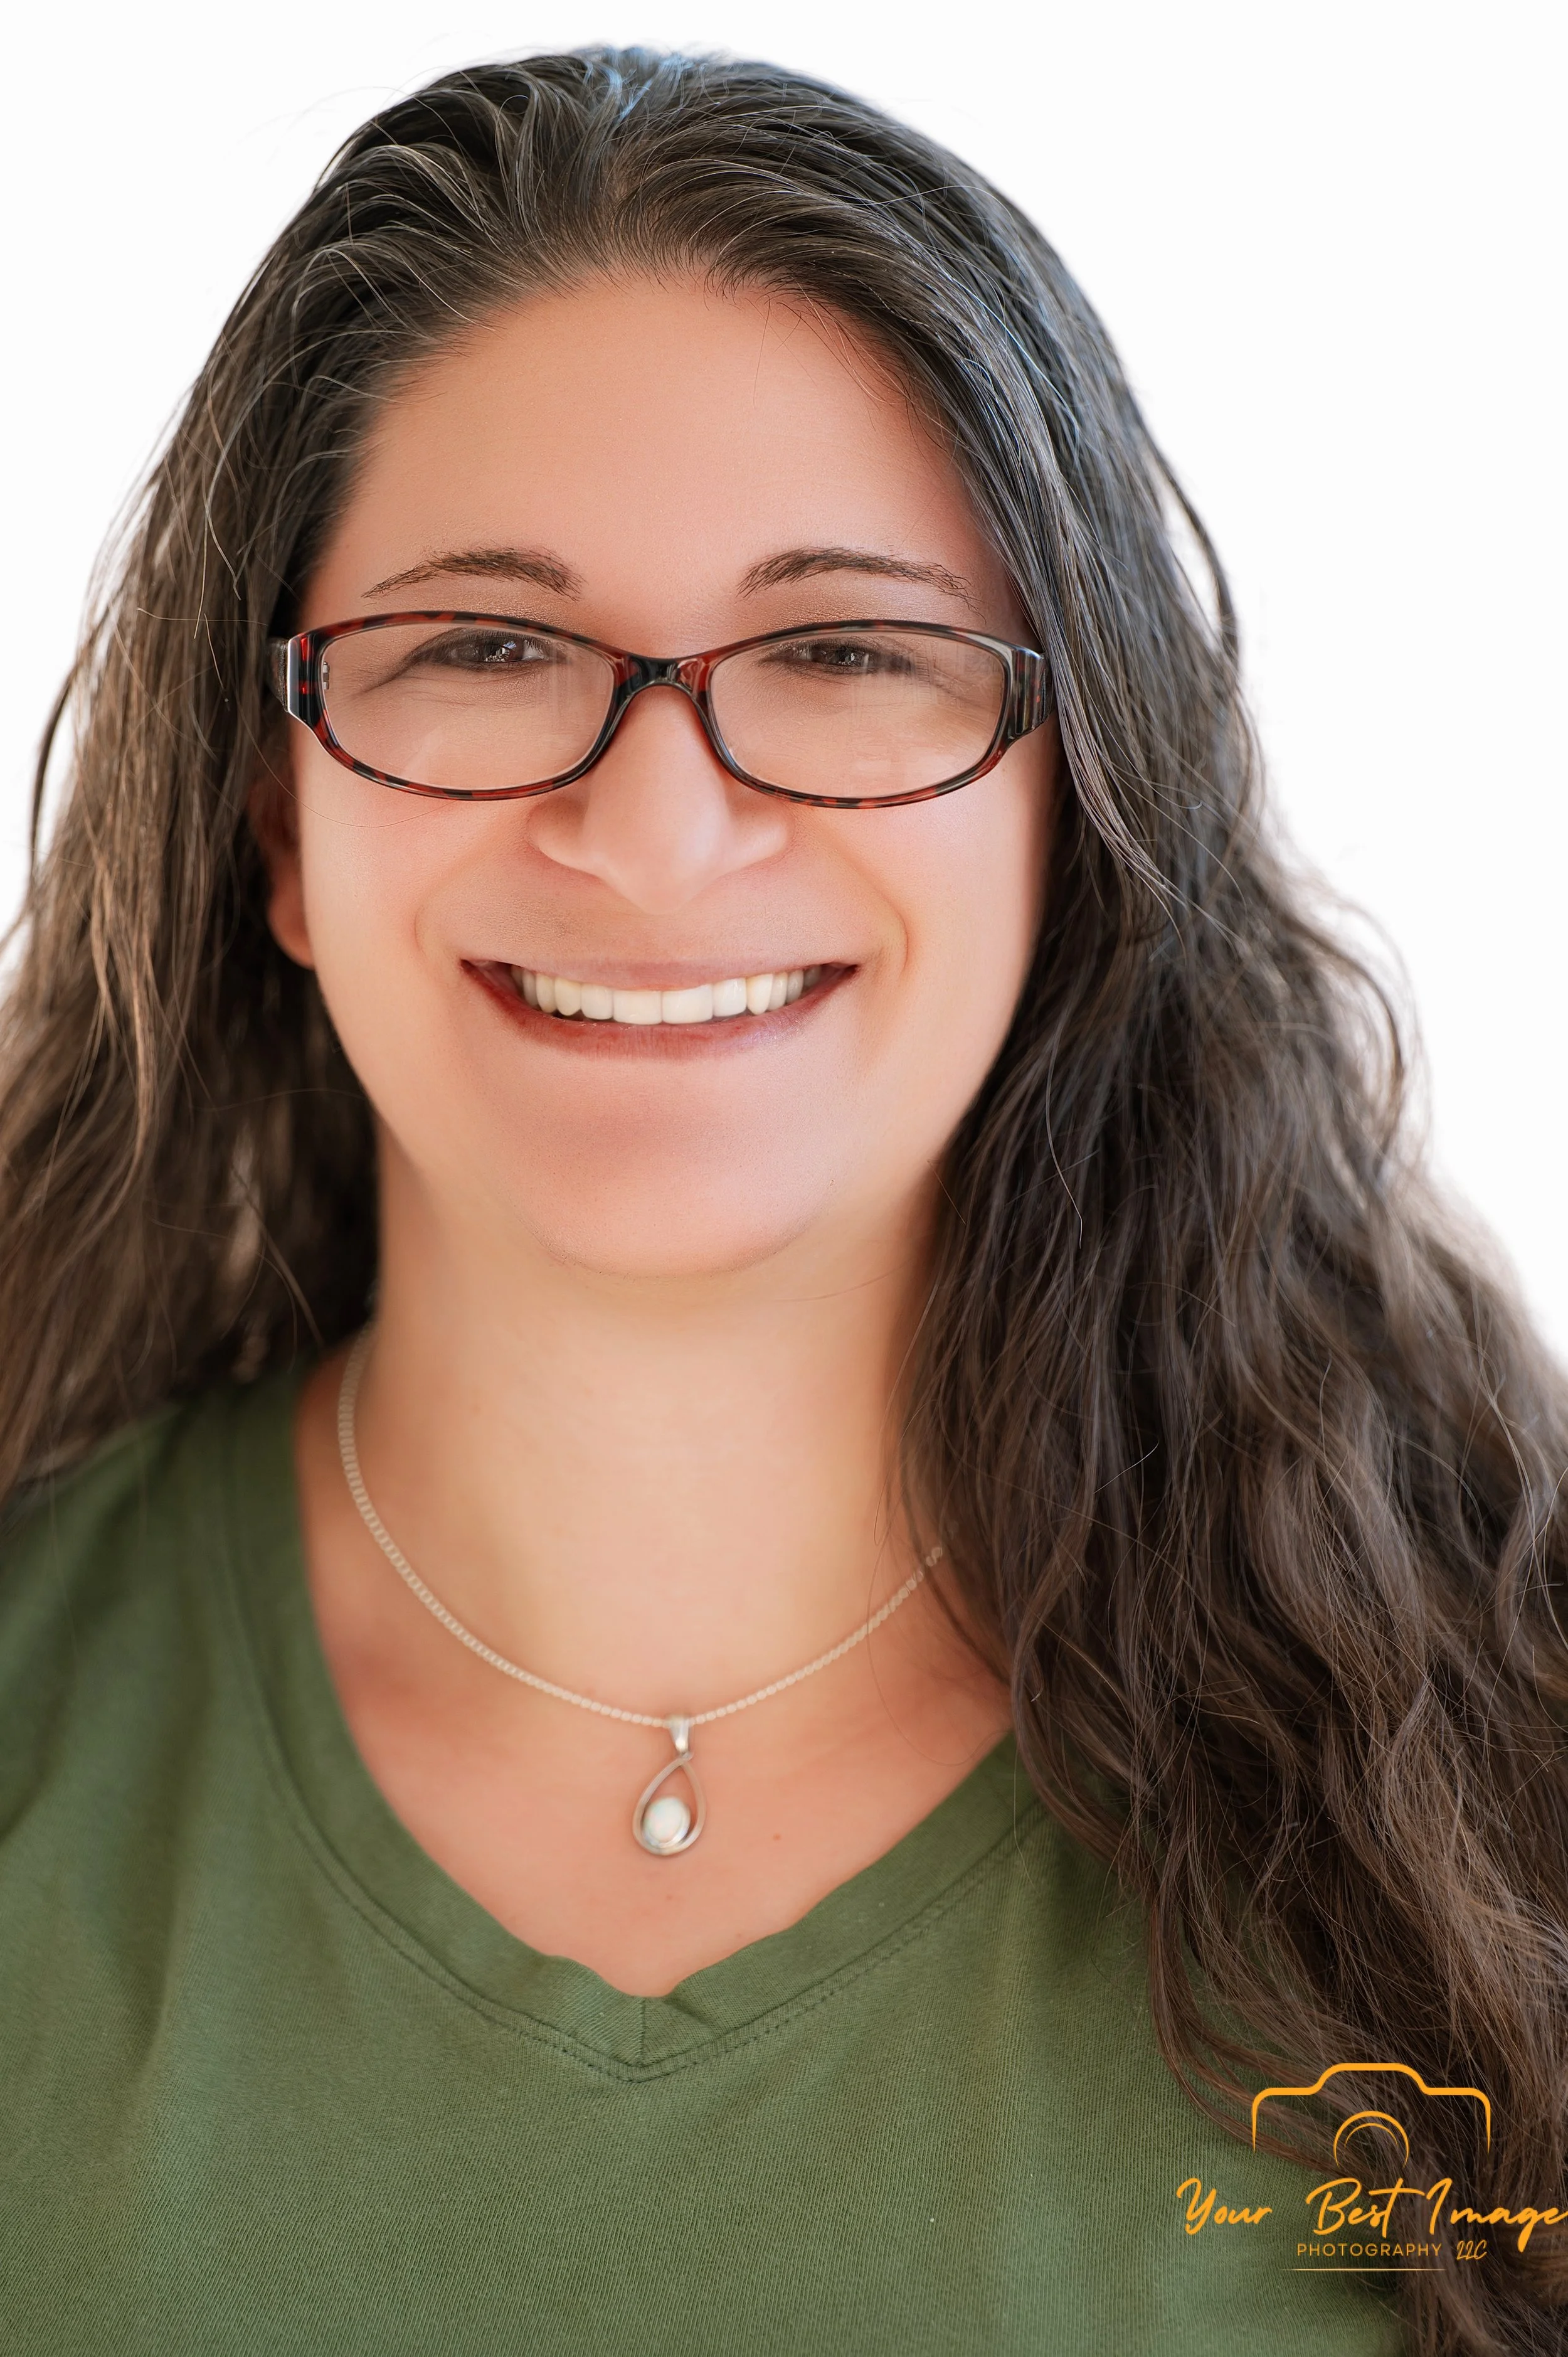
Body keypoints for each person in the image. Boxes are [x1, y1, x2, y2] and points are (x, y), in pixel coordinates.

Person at [0, 45, 1562, 2357]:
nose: (655, 835)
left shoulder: (1508, 1781)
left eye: (842, 651)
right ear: (275, 830)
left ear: (1074, 812)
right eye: (486, 646)